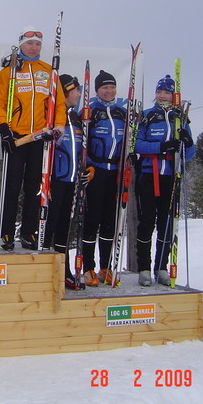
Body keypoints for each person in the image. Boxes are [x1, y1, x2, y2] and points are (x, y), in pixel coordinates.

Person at [0, 26, 67, 250]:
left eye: (38, 44)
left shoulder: (49, 71)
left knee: (35, 187)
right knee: (12, 185)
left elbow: (59, 103)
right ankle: (6, 233)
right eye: (30, 43)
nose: (34, 48)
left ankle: (29, 232)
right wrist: (3, 128)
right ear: (21, 45)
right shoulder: (9, 71)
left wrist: (59, 126)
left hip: (40, 137)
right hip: (16, 137)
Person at [134, 75, 195, 286]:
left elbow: (189, 154)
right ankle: (143, 267)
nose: (162, 96)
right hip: (148, 175)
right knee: (147, 222)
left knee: (166, 224)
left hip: (170, 177)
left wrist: (187, 141)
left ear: (173, 95)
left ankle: (161, 267)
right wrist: (161, 147)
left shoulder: (180, 118)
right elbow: (136, 144)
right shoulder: (148, 116)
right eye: (159, 92)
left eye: (166, 92)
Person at [43, 74, 94, 288]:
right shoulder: (51, 114)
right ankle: (44, 271)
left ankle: (64, 271)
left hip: (72, 181)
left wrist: (89, 165)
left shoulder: (75, 117)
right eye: (76, 91)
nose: (79, 95)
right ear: (65, 92)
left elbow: (81, 148)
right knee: (50, 225)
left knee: (65, 226)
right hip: (55, 180)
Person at [81, 70, 125, 286]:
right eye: (105, 87)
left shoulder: (121, 113)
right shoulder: (91, 112)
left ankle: (105, 267)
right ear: (97, 90)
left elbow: (129, 142)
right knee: (92, 219)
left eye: (112, 87)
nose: (109, 91)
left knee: (109, 221)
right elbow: (82, 142)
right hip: (96, 171)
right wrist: (88, 164)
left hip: (115, 172)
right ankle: (88, 267)